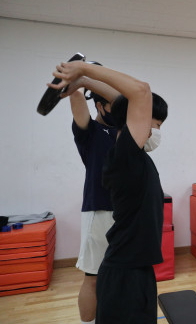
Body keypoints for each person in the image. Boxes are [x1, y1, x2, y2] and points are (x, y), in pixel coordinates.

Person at [49, 61, 168, 324]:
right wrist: (82, 72)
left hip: (132, 250)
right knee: (94, 278)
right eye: (155, 123)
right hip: (106, 221)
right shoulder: (123, 150)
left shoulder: (132, 149)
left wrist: (84, 80)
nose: (156, 130)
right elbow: (140, 93)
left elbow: (128, 101)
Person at [60, 73, 119, 324]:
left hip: (125, 212)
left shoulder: (122, 131)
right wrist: (76, 82)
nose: (118, 110)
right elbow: (77, 101)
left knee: (117, 276)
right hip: (100, 211)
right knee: (93, 278)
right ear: (99, 106)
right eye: (112, 105)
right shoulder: (91, 131)